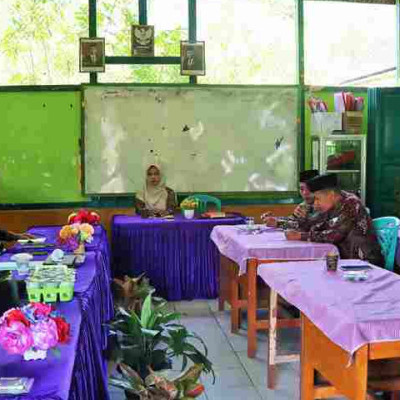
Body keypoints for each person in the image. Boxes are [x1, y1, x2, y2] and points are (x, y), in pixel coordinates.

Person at [285, 173, 384, 267]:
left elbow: (335, 235)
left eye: (317, 199)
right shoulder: (331, 205)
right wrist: (303, 219)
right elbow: (315, 226)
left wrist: (300, 236)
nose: (315, 203)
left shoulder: (351, 203)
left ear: (331, 195)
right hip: (344, 261)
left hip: (364, 264)